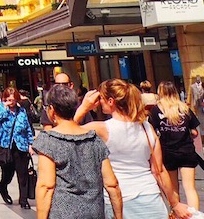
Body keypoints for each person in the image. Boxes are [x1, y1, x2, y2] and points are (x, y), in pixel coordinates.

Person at [77, 79, 193, 219]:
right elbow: (159, 171)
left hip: (120, 201)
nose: (99, 102)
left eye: (101, 98)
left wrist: (84, 107)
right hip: (151, 197)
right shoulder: (146, 128)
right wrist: (175, 204)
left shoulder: (101, 129)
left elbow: (63, 134)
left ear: (111, 101)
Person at [32, 84, 122, 219]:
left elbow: (46, 186)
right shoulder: (94, 139)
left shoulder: (49, 140)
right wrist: (119, 215)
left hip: (62, 213)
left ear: (51, 110)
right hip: (94, 213)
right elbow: (111, 183)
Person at [148, 81, 200, 211]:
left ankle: (177, 214)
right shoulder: (184, 108)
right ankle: (195, 216)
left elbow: (151, 131)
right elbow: (194, 131)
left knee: (173, 188)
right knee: (190, 188)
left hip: (168, 152)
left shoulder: (156, 110)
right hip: (187, 151)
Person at [0, 86, 35, 210]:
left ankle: (24, 200)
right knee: (8, 174)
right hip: (6, 146)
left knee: (23, 174)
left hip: (21, 146)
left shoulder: (21, 111)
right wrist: (5, 108)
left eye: (13, 100)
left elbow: (27, 128)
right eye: (9, 99)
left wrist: (30, 144)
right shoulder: (0, 108)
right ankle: (2, 186)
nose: (11, 102)